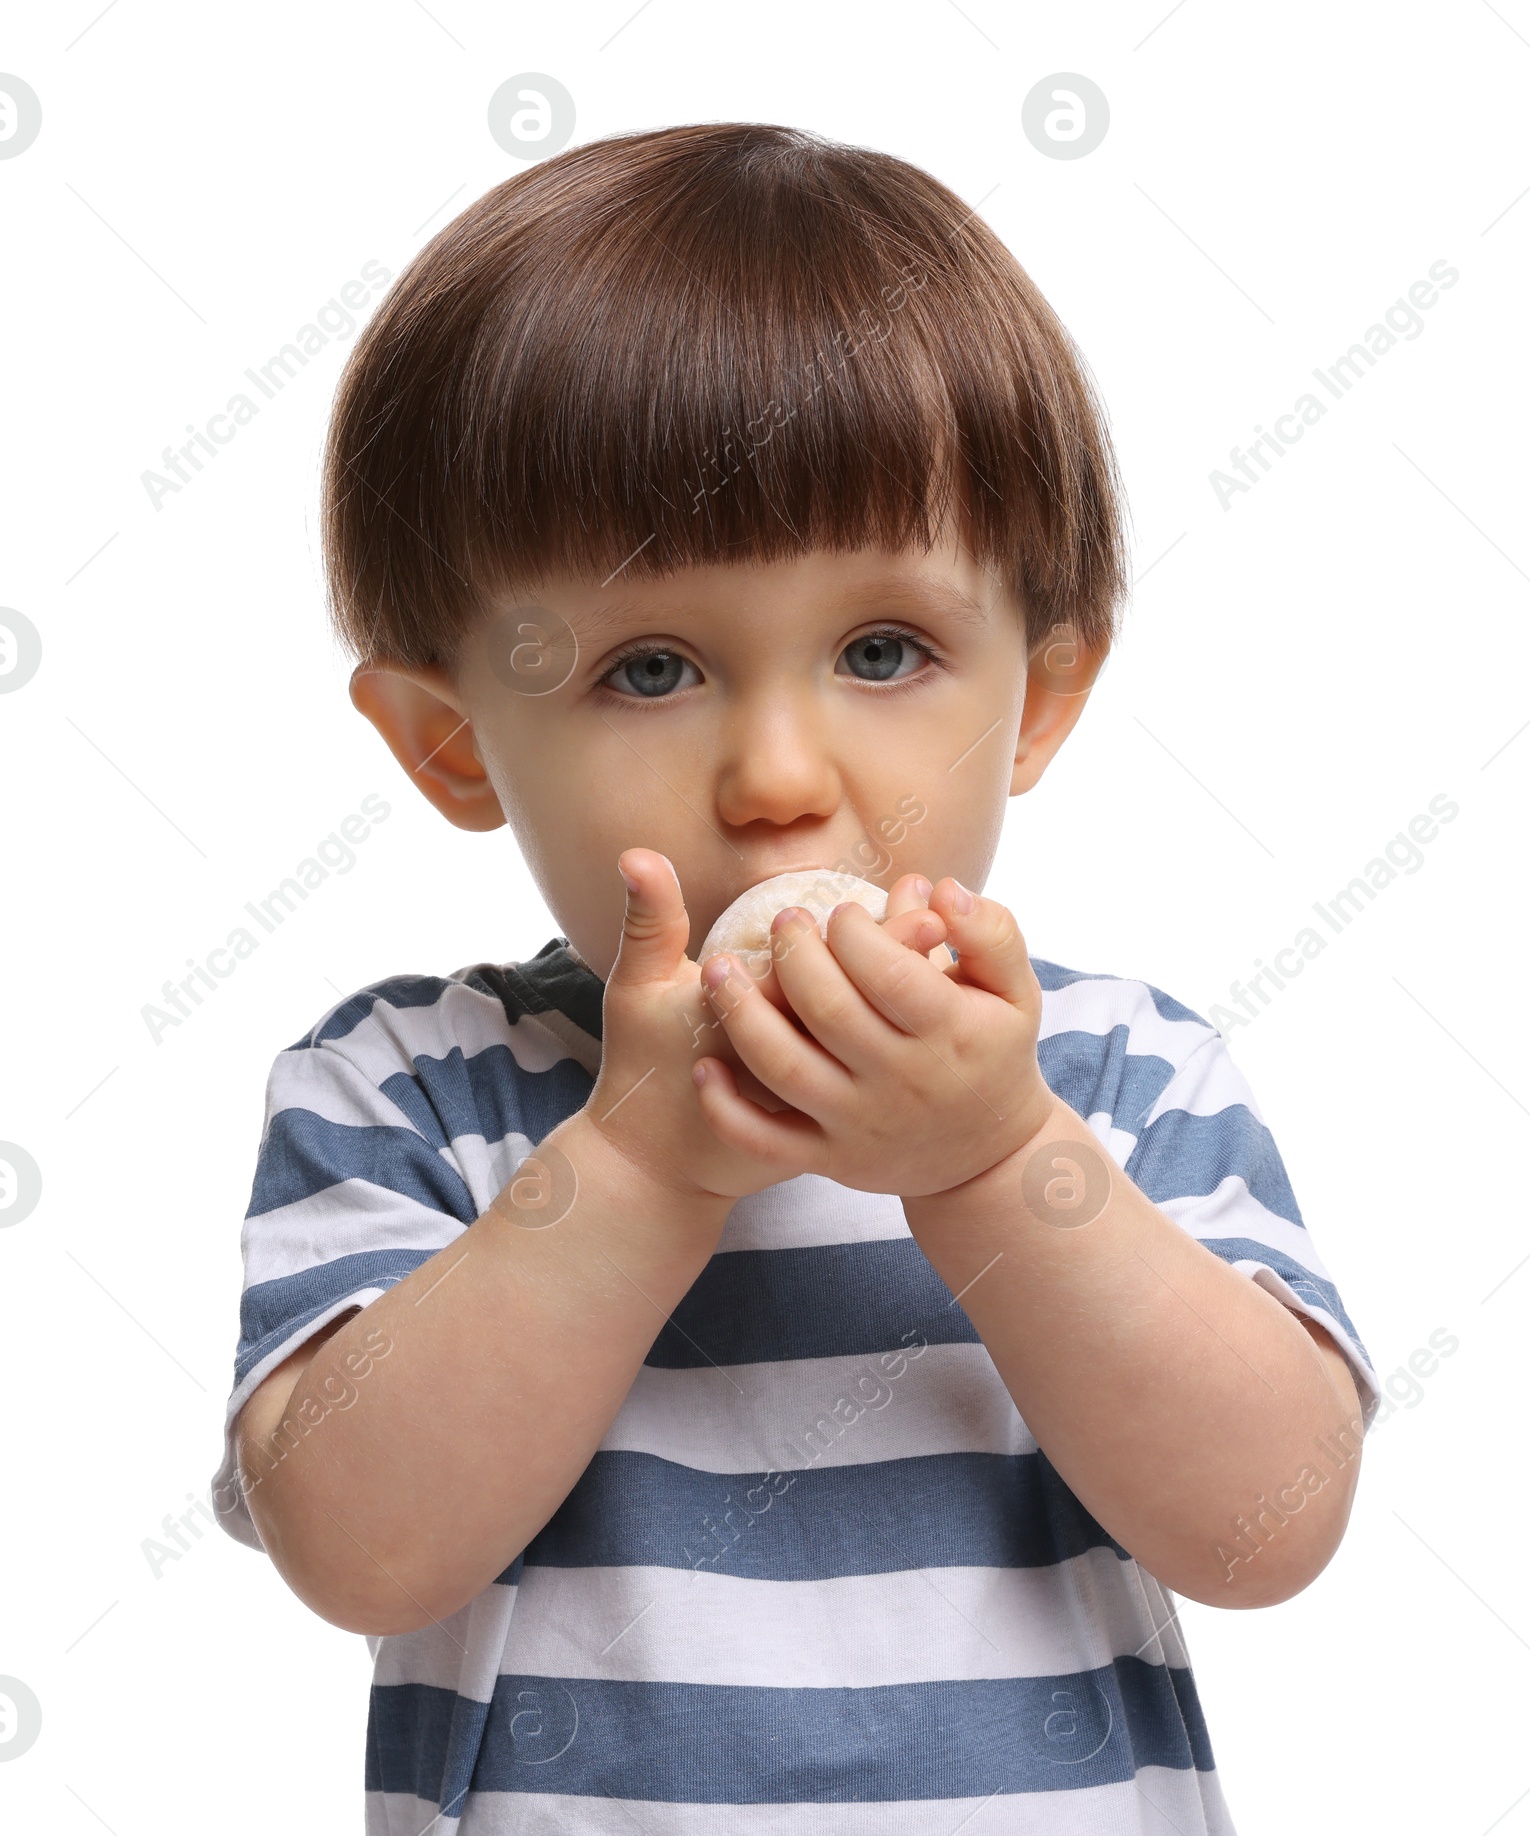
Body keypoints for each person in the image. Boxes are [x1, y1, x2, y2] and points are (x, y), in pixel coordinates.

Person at [212, 121, 1379, 1834]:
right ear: (454, 742)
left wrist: (993, 1166)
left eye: (884, 651)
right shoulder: (414, 1086)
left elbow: (1265, 1529)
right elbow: (365, 1549)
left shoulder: (1122, 1076)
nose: (778, 775)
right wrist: (629, 1169)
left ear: (1038, 699)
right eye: (652, 666)